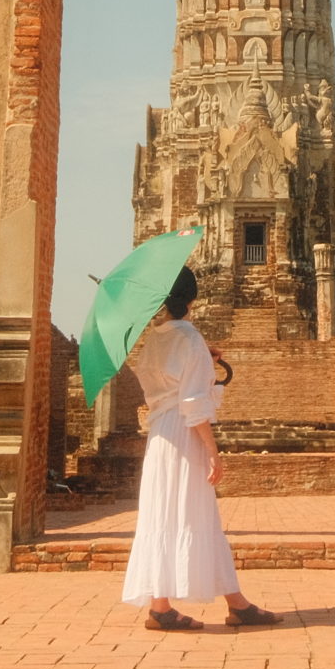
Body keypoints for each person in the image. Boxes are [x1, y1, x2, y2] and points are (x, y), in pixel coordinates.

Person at [120, 263, 280, 630]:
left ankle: (165, 606)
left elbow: (165, 386)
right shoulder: (188, 338)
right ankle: (232, 605)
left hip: (160, 433)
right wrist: (213, 451)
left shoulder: (155, 338)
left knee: (164, 513)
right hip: (185, 433)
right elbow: (192, 403)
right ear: (192, 298)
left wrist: (203, 361)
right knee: (197, 514)